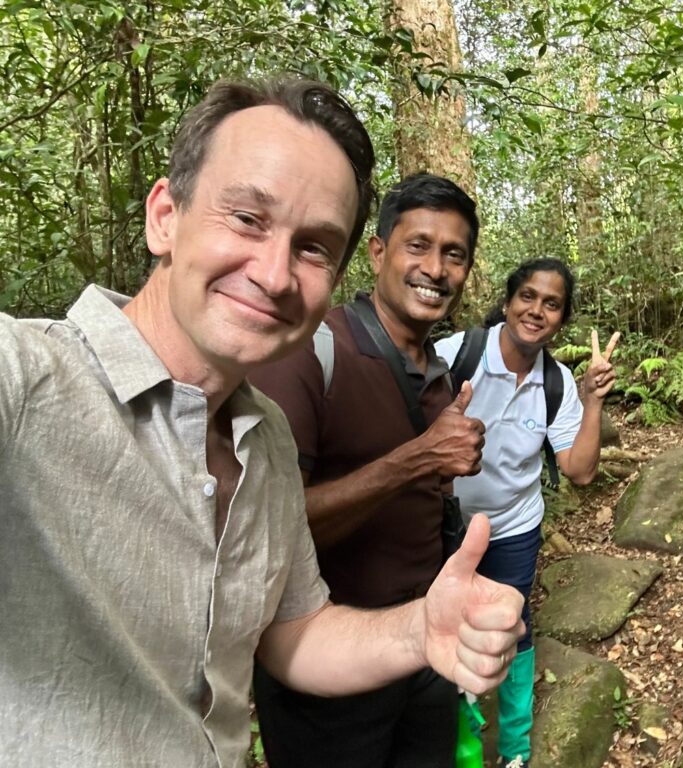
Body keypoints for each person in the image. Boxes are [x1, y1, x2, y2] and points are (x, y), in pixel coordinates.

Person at [0, 78, 523, 768]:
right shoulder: (33, 381)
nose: (276, 273)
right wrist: (417, 461)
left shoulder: (262, 434)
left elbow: (292, 630)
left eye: (312, 247)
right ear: (165, 215)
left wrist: (423, 629)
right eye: (246, 217)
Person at [248, 172, 487, 767]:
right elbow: (268, 531)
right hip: (325, 668)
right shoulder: (310, 352)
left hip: (423, 648)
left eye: (454, 255)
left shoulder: (439, 371)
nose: (436, 269)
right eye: (418, 246)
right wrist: (418, 459)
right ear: (378, 252)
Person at [435, 258, 620, 768]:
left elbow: (579, 471)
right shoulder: (455, 356)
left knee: (514, 625)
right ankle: (465, 741)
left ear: (562, 320)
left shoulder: (556, 383)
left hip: (514, 526)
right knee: (447, 627)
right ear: (508, 300)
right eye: (529, 297)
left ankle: (514, 746)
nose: (536, 310)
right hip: (443, 524)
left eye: (552, 304)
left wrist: (592, 400)